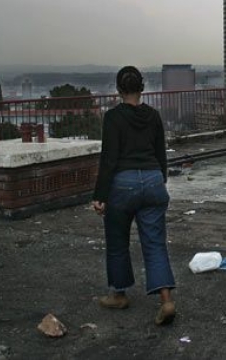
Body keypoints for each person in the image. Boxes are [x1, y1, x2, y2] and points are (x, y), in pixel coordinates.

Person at [91, 65, 176, 325]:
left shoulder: (113, 118)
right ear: (142, 87)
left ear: (119, 90)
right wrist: (159, 181)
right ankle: (166, 301)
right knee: (155, 243)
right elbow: (160, 154)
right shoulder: (153, 116)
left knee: (117, 242)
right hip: (152, 181)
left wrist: (100, 195)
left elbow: (109, 159)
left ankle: (118, 294)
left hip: (123, 185)